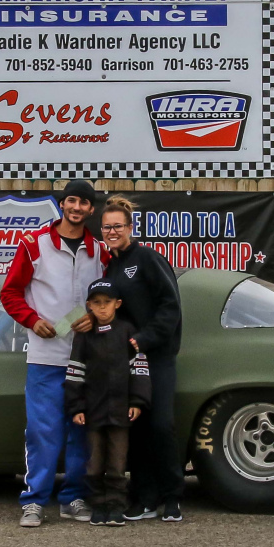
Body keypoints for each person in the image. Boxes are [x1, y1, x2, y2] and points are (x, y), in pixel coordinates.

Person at [0, 179, 106, 528]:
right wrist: (32, 320)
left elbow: (109, 298)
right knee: (42, 432)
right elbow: (10, 293)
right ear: (62, 204)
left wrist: (95, 317)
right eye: (71, 200)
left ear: (91, 209)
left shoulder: (99, 251)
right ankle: (33, 500)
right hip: (45, 356)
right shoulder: (34, 245)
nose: (77, 207)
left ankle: (73, 497)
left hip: (86, 358)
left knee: (81, 431)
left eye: (84, 203)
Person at [94, 196, 187, 522]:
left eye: (117, 226)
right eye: (107, 227)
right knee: (137, 428)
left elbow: (170, 306)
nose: (112, 231)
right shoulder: (111, 266)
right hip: (127, 363)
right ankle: (146, 497)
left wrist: (144, 339)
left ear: (130, 227)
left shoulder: (147, 258)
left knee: (161, 424)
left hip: (156, 357)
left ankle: (172, 496)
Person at [63, 279, 151, 526]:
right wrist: (76, 407)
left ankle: (115, 506)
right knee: (94, 464)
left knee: (117, 463)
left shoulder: (128, 331)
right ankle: (98, 506)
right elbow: (75, 373)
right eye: (97, 303)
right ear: (89, 305)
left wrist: (137, 401)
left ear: (117, 304)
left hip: (121, 413)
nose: (102, 307)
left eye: (107, 302)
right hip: (93, 413)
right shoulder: (83, 336)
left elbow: (140, 369)